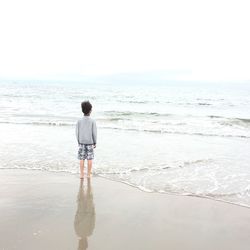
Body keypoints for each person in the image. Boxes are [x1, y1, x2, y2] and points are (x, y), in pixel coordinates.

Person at [76, 101, 97, 178]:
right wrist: (95, 142)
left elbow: (77, 132)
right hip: (90, 142)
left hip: (81, 142)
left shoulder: (79, 121)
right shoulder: (92, 121)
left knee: (81, 158)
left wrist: (78, 141)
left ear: (82, 110)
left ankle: (81, 174)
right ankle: (88, 174)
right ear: (90, 110)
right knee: (90, 159)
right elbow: (94, 133)